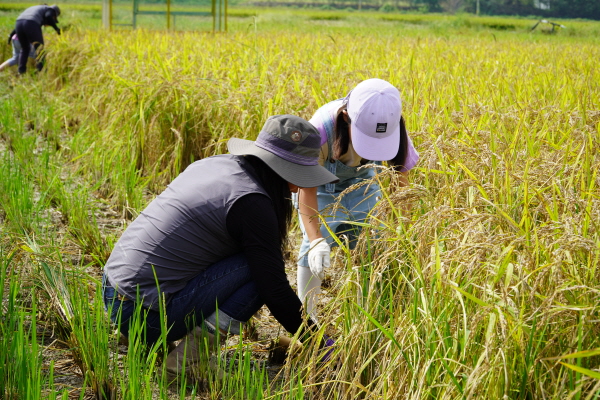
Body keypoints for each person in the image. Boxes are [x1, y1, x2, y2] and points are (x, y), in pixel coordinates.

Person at [102, 115, 338, 377]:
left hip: (113, 291)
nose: (299, 183)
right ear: (281, 167)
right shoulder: (252, 203)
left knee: (255, 259)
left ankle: (146, 341)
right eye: (299, 172)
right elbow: (273, 289)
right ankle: (185, 364)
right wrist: (318, 341)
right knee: (258, 271)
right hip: (139, 313)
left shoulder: (217, 165)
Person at [296, 78, 420, 319]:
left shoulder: (396, 129)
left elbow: (401, 182)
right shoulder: (320, 130)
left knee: (369, 245)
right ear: (346, 117)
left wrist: (401, 226)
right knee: (313, 249)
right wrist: (315, 241)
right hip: (320, 187)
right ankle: (306, 319)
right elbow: (305, 188)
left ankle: (365, 316)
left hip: (363, 183)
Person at [14, 4, 61, 74]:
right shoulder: (50, 9)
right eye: (54, 18)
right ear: (55, 14)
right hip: (31, 23)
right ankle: (41, 72)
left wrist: (11, 35)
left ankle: (21, 72)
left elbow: (23, 22)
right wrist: (56, 29)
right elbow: (48, 16)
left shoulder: (36, 8)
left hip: (18, 23)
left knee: (24, 49)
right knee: (40, 49)